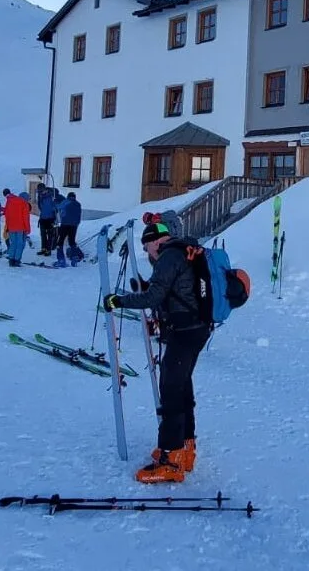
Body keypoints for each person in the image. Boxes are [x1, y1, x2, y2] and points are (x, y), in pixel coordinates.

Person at [103, 222, 210, 483]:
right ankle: (186, 449)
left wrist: (119, 300)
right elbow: (169, 290)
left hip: (185, 329)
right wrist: (145, 285)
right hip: (196, 327)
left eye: (146, 247)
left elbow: (153, 298)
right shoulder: (184, 250)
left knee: (172, 390)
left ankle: (171, 459)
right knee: (182, 387)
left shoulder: (168, 256)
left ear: (154, 242)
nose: (147, 253)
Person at [1, 188, 32, 267]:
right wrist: (28, 229)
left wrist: (7, 226)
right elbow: (26, 217)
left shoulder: (10, 201)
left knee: (13, 243)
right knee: (20, 244)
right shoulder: (24, 203)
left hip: (11, 226)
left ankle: (11, 260)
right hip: (21, 227)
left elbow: (7, 214)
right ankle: (17, 260)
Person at [56, 191, 82, 260]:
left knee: (60, 240)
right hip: (74, 225)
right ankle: (74, 256)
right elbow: (79, 215)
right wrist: (77, 223)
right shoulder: (78, 204)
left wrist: (55, 201)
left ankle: (61, 258)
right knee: (72, 241)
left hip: (65, 224)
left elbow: (57, 207)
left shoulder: (65, 202)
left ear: (68, 197)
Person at [36, 186, 58, 255]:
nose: (39, 192)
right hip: (42, 218)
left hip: (50, 219)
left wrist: (54, 212)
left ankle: (48, 250)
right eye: (39, 191)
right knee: (43, 235)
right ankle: (43, 249)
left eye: (40, 191)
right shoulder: (41, 197)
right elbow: (40, 207)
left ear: (45, 190)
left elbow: (55, 208)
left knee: (50, 235)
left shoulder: (51, 197)